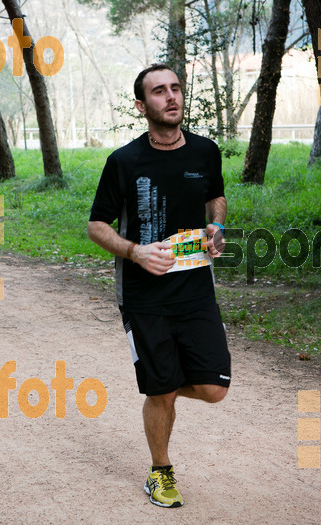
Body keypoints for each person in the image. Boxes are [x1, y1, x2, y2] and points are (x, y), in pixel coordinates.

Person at [87, 64, 231, 508]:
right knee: (161, 391)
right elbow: (96, 226)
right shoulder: (124, 162)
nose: (171, 97)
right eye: (158, 92)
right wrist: (135, 252)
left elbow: (216, 197)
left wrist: (216, 227)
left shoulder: (205, 151)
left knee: (214, 388)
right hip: (144, 295)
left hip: (195, 289)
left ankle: (162, 382)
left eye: (175, 89)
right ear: (141, 106)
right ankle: (161, 472)